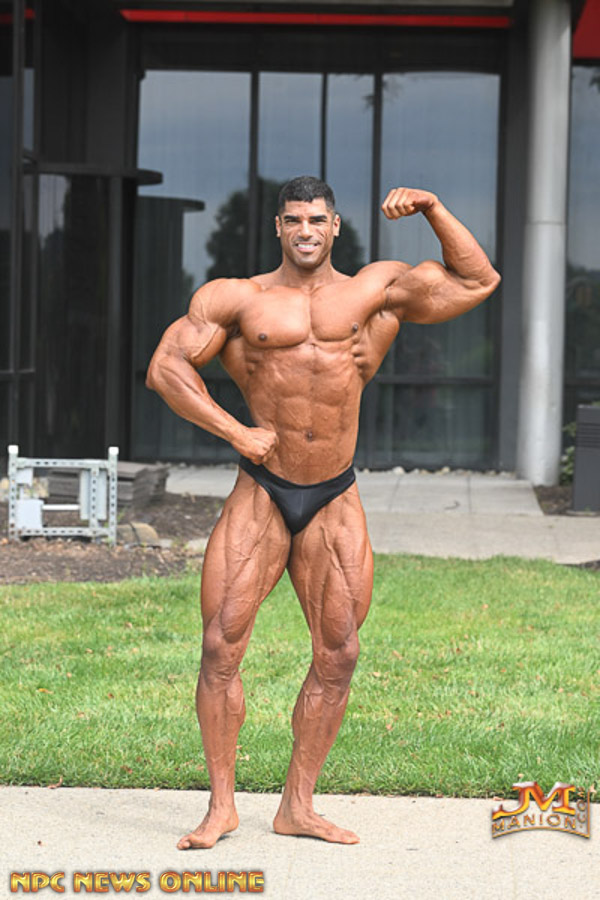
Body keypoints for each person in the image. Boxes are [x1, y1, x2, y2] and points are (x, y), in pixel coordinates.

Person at [146, 176, 500, 849]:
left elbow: (476, 280)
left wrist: (433, 208)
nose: (305, 230)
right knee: (220, 645)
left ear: (335, 226)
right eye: (293, 220)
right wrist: (236, 432)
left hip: (334, 492)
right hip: (262, 488)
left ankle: (298, 806)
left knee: (339, 653)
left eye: (316, 219)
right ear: (278, 228)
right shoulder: (237, 298)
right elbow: (166, 368)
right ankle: (221, 808)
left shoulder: (375, 290)